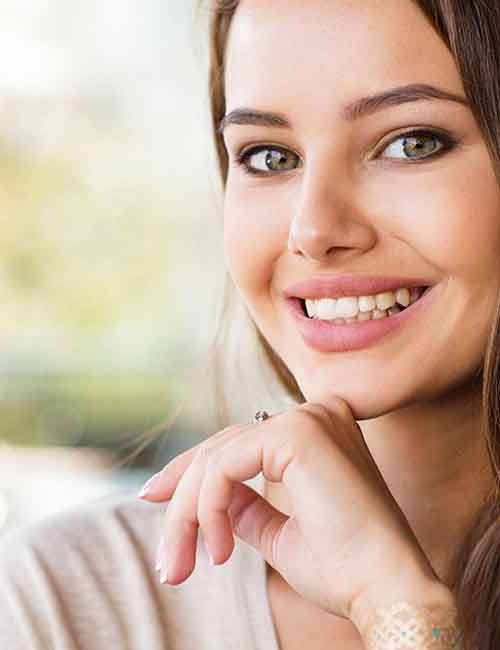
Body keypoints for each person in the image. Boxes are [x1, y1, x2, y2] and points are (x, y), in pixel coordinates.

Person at [1, 0, 499, 648]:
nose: (314, 230)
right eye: (269, 157)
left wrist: (400, 609)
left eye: (412, 143)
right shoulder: (60, 602)